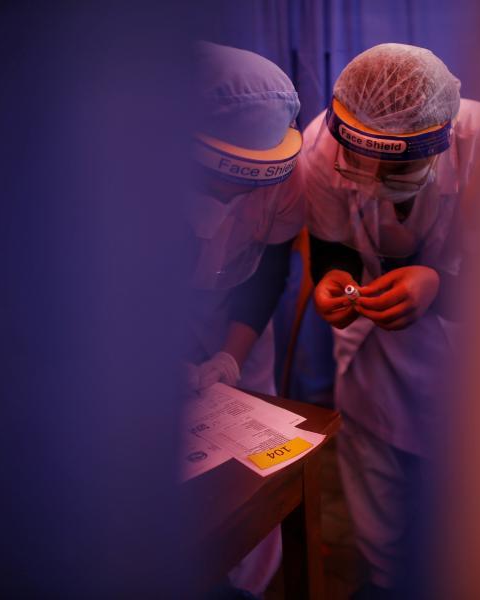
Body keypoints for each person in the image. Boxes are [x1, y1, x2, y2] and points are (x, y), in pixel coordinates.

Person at [300, 43, 480, 597]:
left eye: (398, 166)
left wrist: (439, 288)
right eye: (359, 162)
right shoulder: (323, 146)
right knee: (379, 514)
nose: (371, 177)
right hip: (371, 354)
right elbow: (330, 242)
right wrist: (330, 281)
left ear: (439, 140)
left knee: (463, 507)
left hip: (472, 353)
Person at [187, 41, 303, 598]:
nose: (238, 193)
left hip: (239, 316)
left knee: (257, 459)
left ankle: (253, 585)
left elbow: (269, 270)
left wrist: (232, 354)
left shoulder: (286, 177)